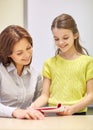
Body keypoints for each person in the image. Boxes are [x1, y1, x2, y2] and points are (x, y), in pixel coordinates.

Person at [30, 13, 93, 115]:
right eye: (56, 39)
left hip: (77, 114)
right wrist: (33, 106)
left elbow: (91, 95)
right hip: (53, 114)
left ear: (75, 35)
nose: (60, 42)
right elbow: (45, 96)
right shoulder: (49, 63)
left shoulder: (88, 62)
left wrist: (72, 109)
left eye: (65, 37)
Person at [0, 25, 44, 119]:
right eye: (19, 53)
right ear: (8, 54)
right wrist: (14, 112)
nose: (27, 55)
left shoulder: (35, 75)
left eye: (28, 48)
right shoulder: (1, 72)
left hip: (27, 124)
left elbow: (39, 104)